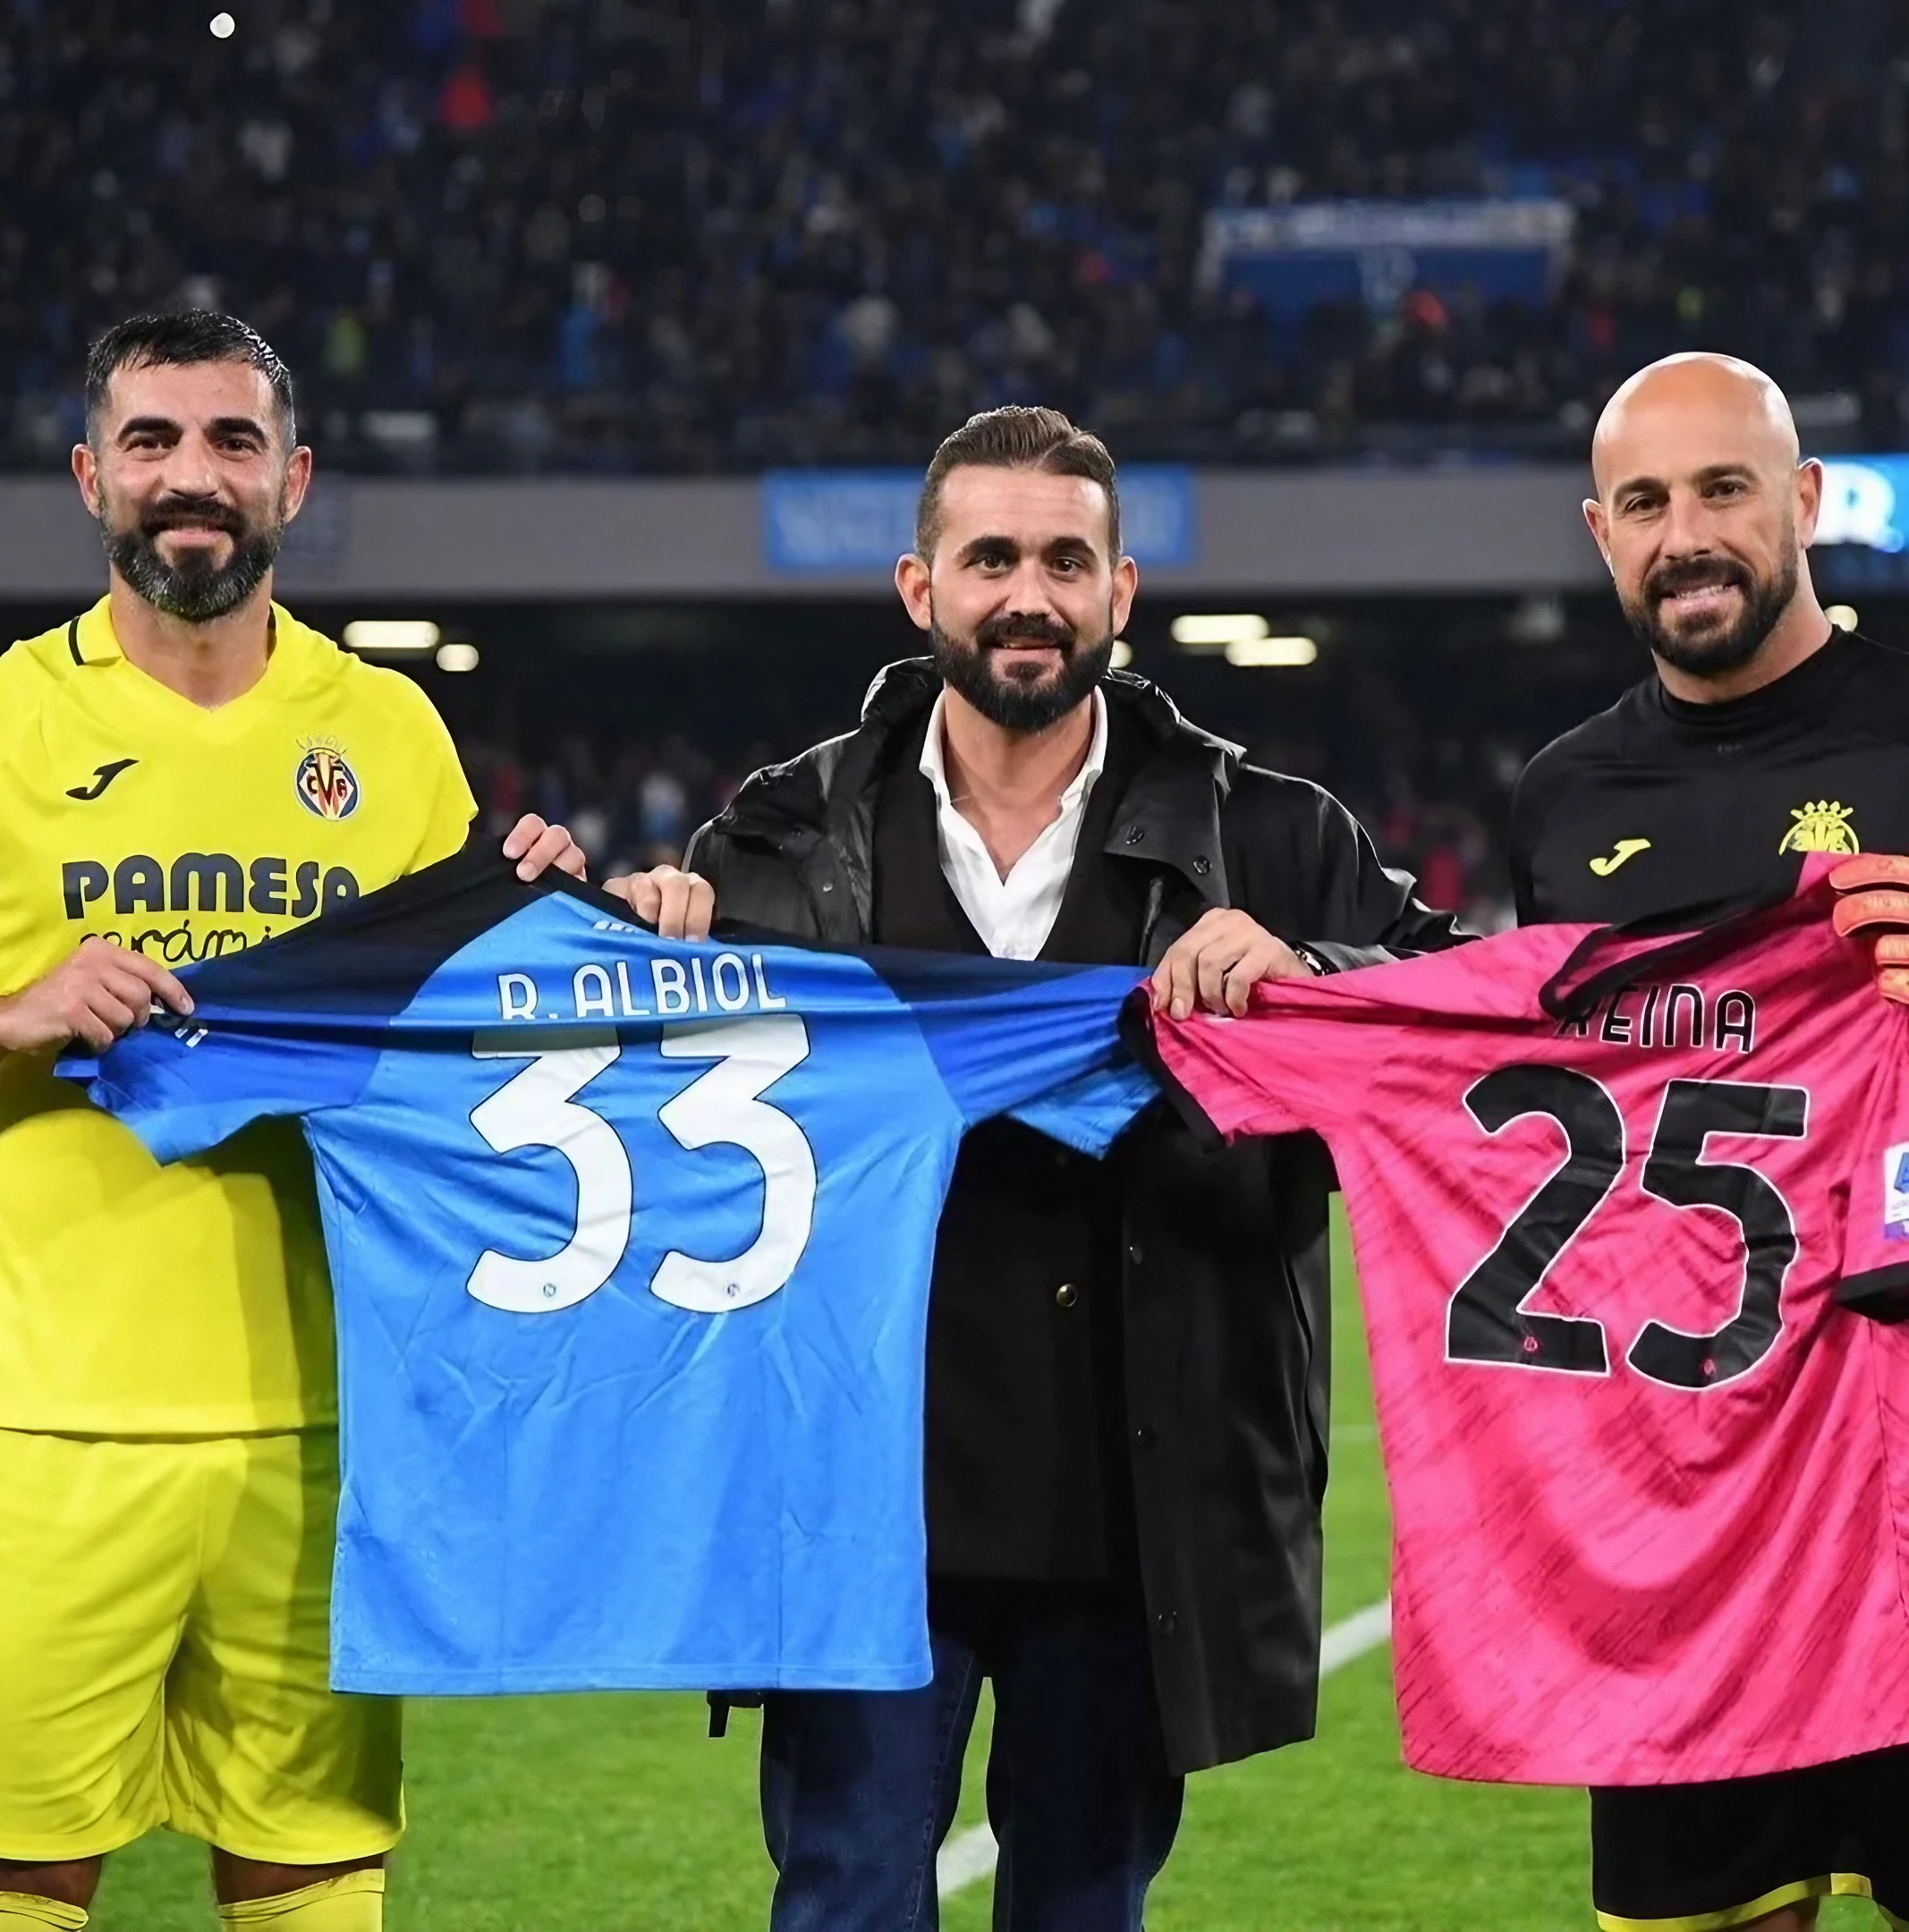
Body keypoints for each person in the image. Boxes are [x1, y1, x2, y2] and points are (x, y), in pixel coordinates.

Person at [605, 404, 1461, 1931]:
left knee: (1080, 1910)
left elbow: (1454, 1020)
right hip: (859, 1511)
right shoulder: (777, 842)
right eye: (989, 556)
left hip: (1132, 1518)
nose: (1029, 594)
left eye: (1067, 560)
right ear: (918, 587)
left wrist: (1316, 964)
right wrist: (624, 941)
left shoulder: (1272, 838)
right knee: (847, 1904)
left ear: (1123, 593)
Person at [0, 312, 581, 1932]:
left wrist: (575, 927)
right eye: (157, 442)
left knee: (311, 1869)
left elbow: (473, 1046)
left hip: (331, 1426)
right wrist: (4, 1013)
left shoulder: (385, 734)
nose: (195, 477)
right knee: (14, 1870)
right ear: (93, 474)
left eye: (233, 443)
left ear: (294, 480)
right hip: (42, 1426)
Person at [1509, 350, 1909, 1932]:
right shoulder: (1564, 798)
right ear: (1600, 533)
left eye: (1725, 489)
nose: (1688, 535)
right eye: (1648, 503)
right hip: (1693, 1493)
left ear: (1804, 502)